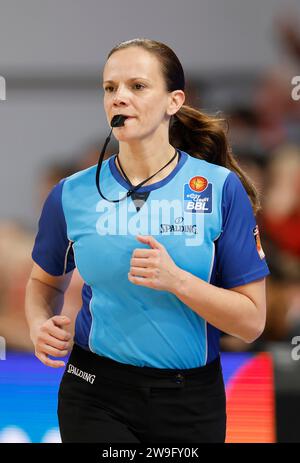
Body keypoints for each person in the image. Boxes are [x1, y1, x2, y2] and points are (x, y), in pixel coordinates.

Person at [25, 38, 270, 443]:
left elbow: (251, 322)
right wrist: (39, 325)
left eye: (137, 86)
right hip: (94, 389)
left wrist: (178, 282)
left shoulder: (219, 190)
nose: (119, 98)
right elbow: (44, 283)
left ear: (174, 101)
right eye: (110, 88)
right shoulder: (71, 193)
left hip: (190, 398)